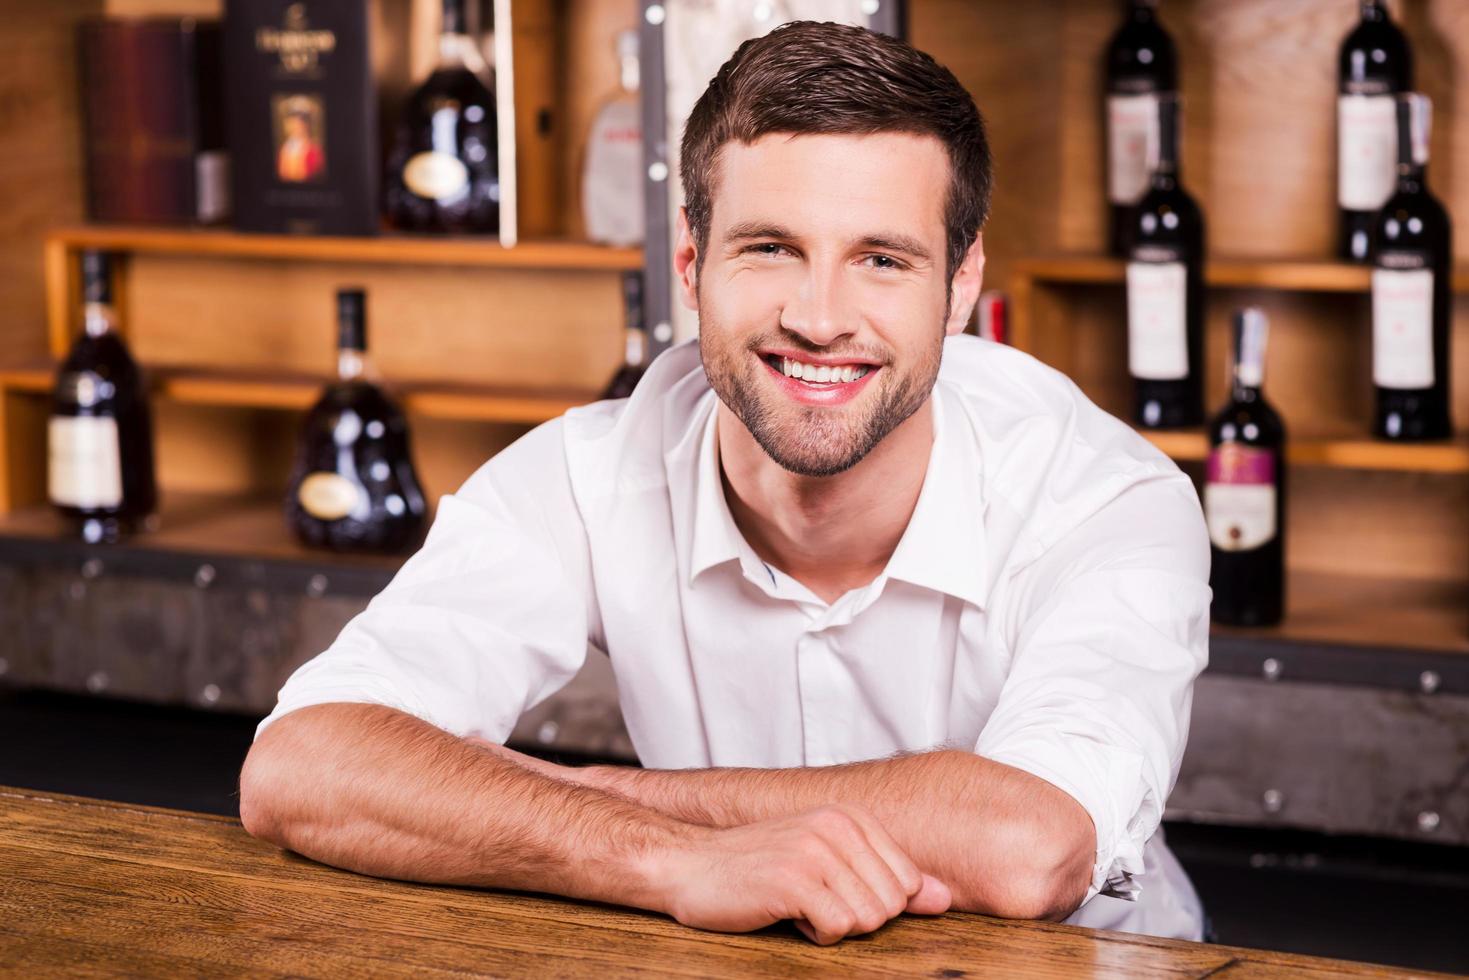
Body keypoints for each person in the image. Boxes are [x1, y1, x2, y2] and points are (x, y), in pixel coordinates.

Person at [239, 21, 1209, 945]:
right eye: (769, 247)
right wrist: (664, 858)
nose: (819, 316)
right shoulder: (589, 473)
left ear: (958, 286)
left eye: (881, 259)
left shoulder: (1105, 498)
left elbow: (1025, 846)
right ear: (691, 263)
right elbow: (302, 764)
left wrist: (593, 799)